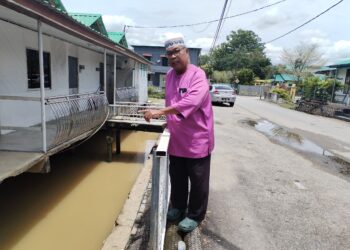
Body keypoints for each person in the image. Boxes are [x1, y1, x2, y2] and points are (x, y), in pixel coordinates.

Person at [141, 37, 214, 233]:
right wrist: (169, 120)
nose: (173, 57)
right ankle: (178, 207)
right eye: (169, 54)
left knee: (198, 182)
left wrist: (160, 112)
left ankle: (195, 215)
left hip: (197, 139)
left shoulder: (198, 75)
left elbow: (190, 102)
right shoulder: (170, 75)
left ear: (186, 52)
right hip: (177, 138)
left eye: (176, 52)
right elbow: (172, 101)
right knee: (178, 177)